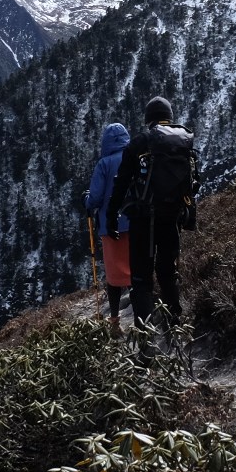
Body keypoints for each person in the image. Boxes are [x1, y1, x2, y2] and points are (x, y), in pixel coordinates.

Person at [109, 96, 199, 326]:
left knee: (141, 280)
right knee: (168, 273)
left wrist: (111, 216)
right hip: (173, 217)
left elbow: (121, 183)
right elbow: (193, 182)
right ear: (169, 116)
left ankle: (146, 344)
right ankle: (175, 330)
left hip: (143, 219)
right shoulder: (183, 141)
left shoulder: (140, 143)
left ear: (148, 118)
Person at [83, 122, 132, 324]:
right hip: (136, 222)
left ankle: (114, 320)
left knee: (114, 276)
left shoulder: (104, 164)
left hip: (111, 227)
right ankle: (143, 317)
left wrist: (85, 200)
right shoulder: (134, 158)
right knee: (136, 269)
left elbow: (94, 199)